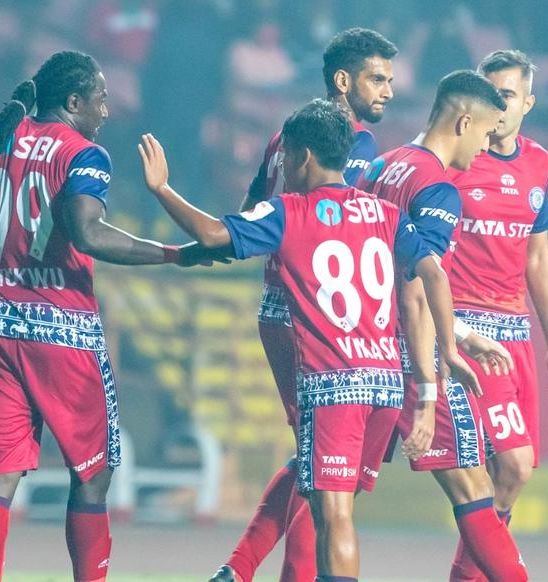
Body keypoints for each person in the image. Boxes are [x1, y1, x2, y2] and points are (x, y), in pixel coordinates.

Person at [0, 50, 213, 582]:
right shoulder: (85, 154)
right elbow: (87, 233)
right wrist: (174, 254)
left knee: (0, 477)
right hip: (63, 330)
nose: (106, 106)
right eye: (99, 96)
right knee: (94, 474)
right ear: (73, 101)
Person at [138, 98, 480, 582]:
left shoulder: (290, 212)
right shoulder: (385, 214)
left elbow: (214, 234)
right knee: (323, 500)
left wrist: (162, 189)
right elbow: (432, 274)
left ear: (301, 157)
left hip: (333, 383)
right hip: (385, 383)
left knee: (333, 516)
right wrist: (446, 350)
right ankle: (248, 569)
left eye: (287, 156)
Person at [213, 27, 398, 582]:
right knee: (325, 474)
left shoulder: (285, 137)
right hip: (316, 315)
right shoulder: (352, 148)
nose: (388, 90)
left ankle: (240, 570)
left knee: (316, 462)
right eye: (377, 78)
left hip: (283, 303)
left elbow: (250, 207)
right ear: (343, 81)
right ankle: (257, 571)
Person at [357, 69, 527, 581]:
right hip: (411, 354)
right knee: (474, 487)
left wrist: (463, 336)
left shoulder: (382, 166)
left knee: (324, 485)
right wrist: (432, 384)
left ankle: (242, 564)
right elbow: (414, 292)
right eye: (486, 133)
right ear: (464, 121)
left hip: (363, 347)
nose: (487, 148)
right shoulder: (437, 187)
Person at [445, 50, 548, 581]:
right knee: (514, 465)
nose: (500, 107)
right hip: (472, 335)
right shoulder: (455, 161)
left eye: (510, 97)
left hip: (517, 333)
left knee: (510, 475)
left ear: (528, 102)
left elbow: (537, 256)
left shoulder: (538, 162)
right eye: (491, 96)